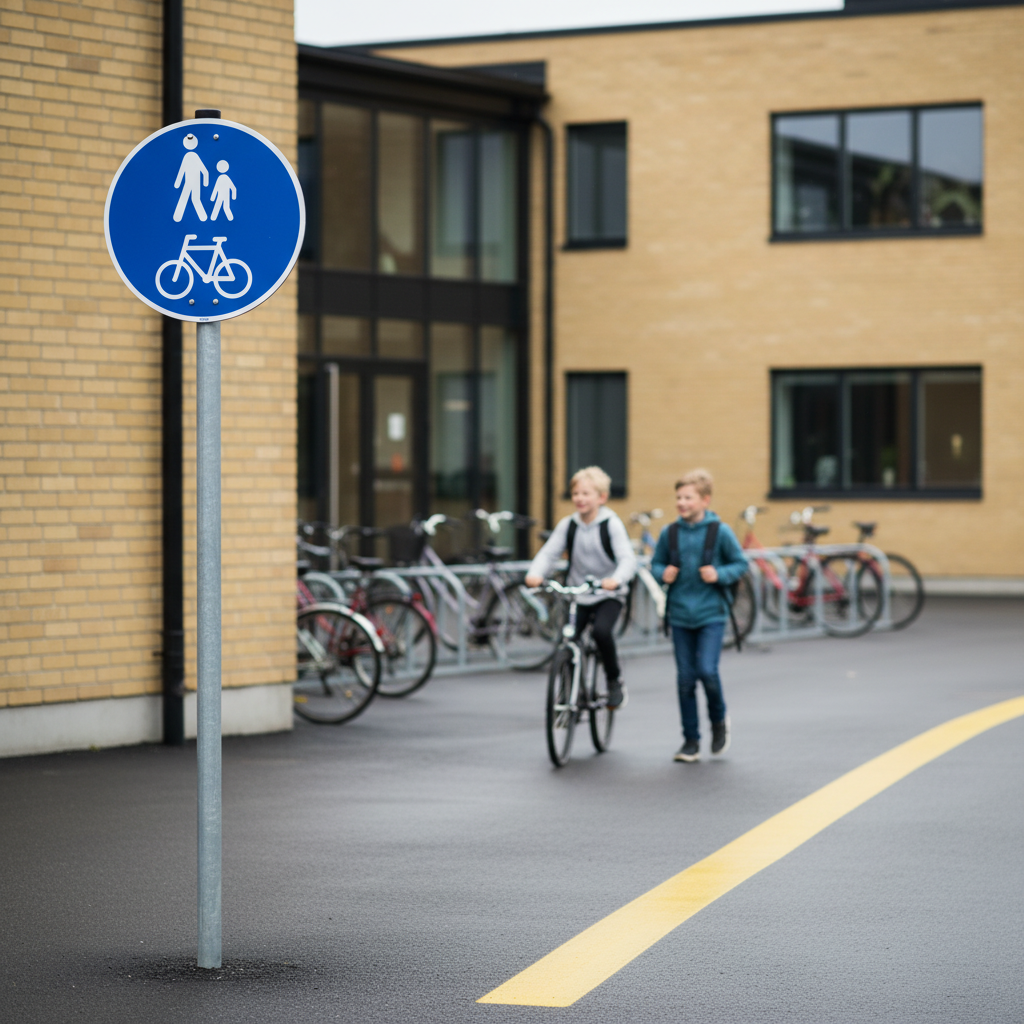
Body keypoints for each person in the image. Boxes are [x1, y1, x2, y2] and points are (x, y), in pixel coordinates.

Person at [651, 469, 748, 763]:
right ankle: (690, 740)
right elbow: (656, 565)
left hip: (710, 614)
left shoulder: (720, 532)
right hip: (680, 614)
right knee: (685, 679)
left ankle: (719, 721)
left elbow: (740, 564)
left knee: (707, 671)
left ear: (705, 500)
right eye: (679, 497)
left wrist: (719, 573)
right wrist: (662, 574)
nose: (682, 502)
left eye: (688, 497)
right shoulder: (671, 533)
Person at [525, 466, 636, 710]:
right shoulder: (568, 525)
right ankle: (569, 692)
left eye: (586, 494)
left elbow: (627, 559)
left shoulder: (611, 524)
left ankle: (614, 680)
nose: (580, 499)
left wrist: (616, 580)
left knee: (601, 632)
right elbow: (548, 553)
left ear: (601, 498)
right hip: (579, 593)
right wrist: (535, 574)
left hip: (608, 594)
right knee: (568, 638)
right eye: (576, 493)